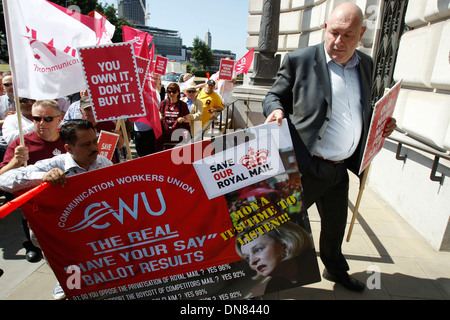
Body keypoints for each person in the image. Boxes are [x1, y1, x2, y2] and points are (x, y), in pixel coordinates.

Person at [262, 2, 397, 292]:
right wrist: (275, 111)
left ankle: (336, 271)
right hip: (307, 165)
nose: (339, 41)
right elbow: (273, 96)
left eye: (348, 35)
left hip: (341, 168)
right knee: (282, 225)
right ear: (325, 29)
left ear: (361, 34)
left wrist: (381, 121)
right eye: (334, 32)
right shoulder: (300, 60)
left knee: (335, 227)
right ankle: (264, 277)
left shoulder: (366, 64)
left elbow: (359, 108)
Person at [0, 119, 113, 299]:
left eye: (94, 141)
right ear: (68, 149)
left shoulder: (103, 162)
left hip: (93, 230)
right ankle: (64, 281)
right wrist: (42, 178)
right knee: (67, 269)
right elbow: (4, 180)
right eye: (86, 144)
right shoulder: (53, 165)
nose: (94, 148)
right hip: (61, 234)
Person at [0, 100, 65, 263]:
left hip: (69, 204)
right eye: (36, 119)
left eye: (48, 119)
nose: (41, 123)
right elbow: (1, 178)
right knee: (53, 256)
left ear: (60, 118)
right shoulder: (21, 143)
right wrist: (15, 162)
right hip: (39, 210)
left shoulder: (70, 138)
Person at [237, 220, 318, 295]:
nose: (251, 262)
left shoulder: (316, 264)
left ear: (285, 245)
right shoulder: (272, 287)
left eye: (258, 249)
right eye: (247, 257)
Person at [79, 96, 124, 163]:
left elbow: (120, 145)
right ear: (81, 111)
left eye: (94, 108)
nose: (91, 113)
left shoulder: (109, 124)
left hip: (108, 166)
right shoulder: (78, 127)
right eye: (87, 109)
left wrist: (119, 138)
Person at [156, 82, 190, 151]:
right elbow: (160, 115)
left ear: (178, 92)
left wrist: (182, 119)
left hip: (177, 137)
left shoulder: (183, 105)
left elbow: (189, 121)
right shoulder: (163, 103)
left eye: (174, 92)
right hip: (165, 137)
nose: (171, 94)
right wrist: (160, 117)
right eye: (169, 92)